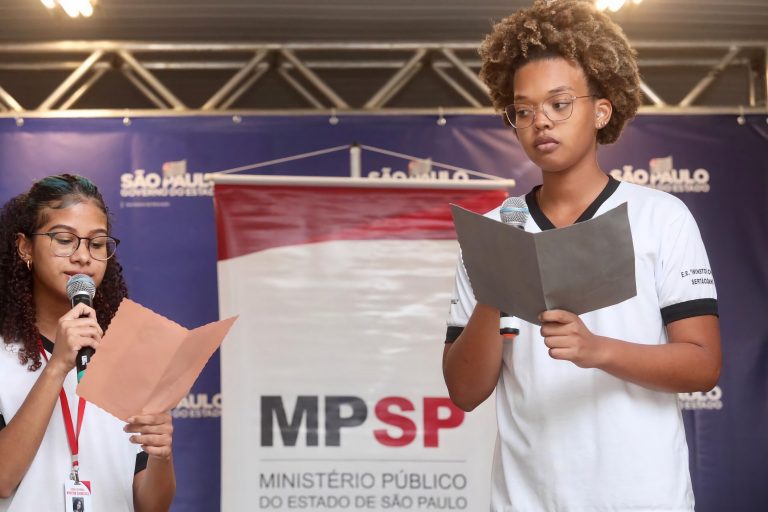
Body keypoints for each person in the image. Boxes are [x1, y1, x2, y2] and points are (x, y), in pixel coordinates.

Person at [442, 1, 721, 510]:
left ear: (601, 110)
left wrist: (598, 350)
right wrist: (494, 289)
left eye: (559, 104)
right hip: (526, 500)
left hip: (644, 498)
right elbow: (463, 391)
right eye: (522, 110)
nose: (540, 122)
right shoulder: (493, 234)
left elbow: (703, 365)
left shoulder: (661, 217)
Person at [0, 174, 176, 511]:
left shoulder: (132, 358)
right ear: (25, 248)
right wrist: (57, 367)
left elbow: (151, 505)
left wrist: (162, 455)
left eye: (96, 244)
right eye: (65, 240)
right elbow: (3, 478)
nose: (83, 256)